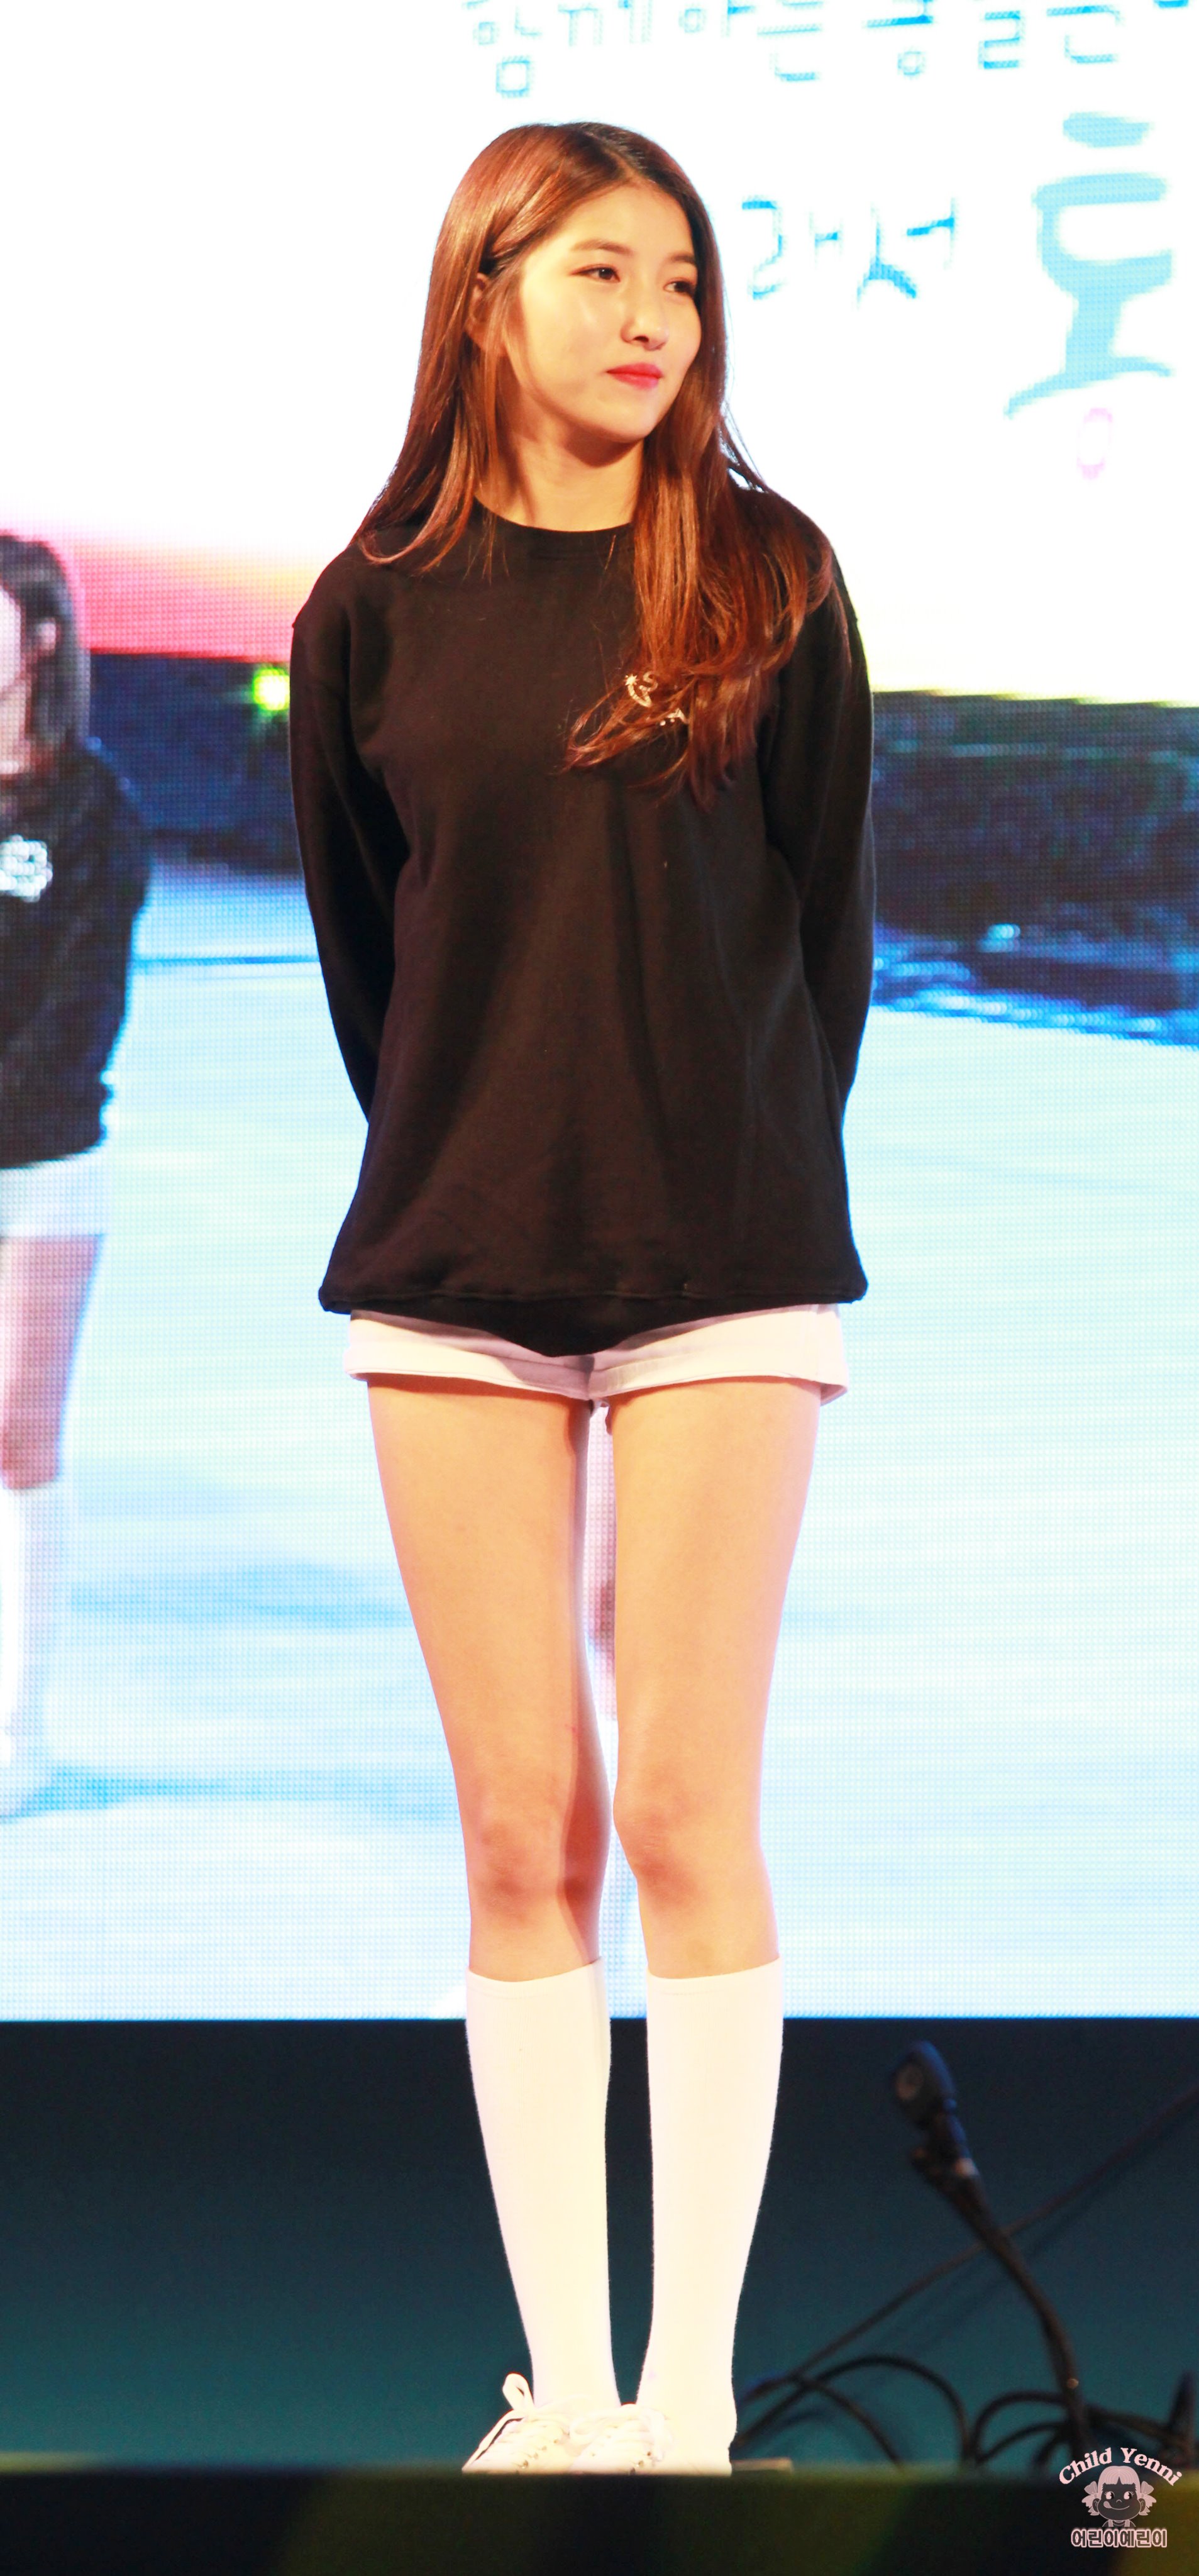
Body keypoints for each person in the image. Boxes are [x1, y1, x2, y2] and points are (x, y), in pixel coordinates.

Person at [289, 120, 874, 2474]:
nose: (653, 320)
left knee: (685, 1810)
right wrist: (490, 1146)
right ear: (486, 295)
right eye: (601, 272)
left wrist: (723, 1166)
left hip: (727, 1259)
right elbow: (375, 959)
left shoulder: (767, 572)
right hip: (453, 1267)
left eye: (684, 281)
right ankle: (566, 2386)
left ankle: (691, 2398)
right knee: (516, 1822)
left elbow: (824, 935)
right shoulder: (369, 606)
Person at [0, 536, 149, 1818]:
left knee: (16, 1435)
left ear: (39, 638)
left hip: (42, 1162)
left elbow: (81, 1008)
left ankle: (16, 1733)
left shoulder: (93, 809)